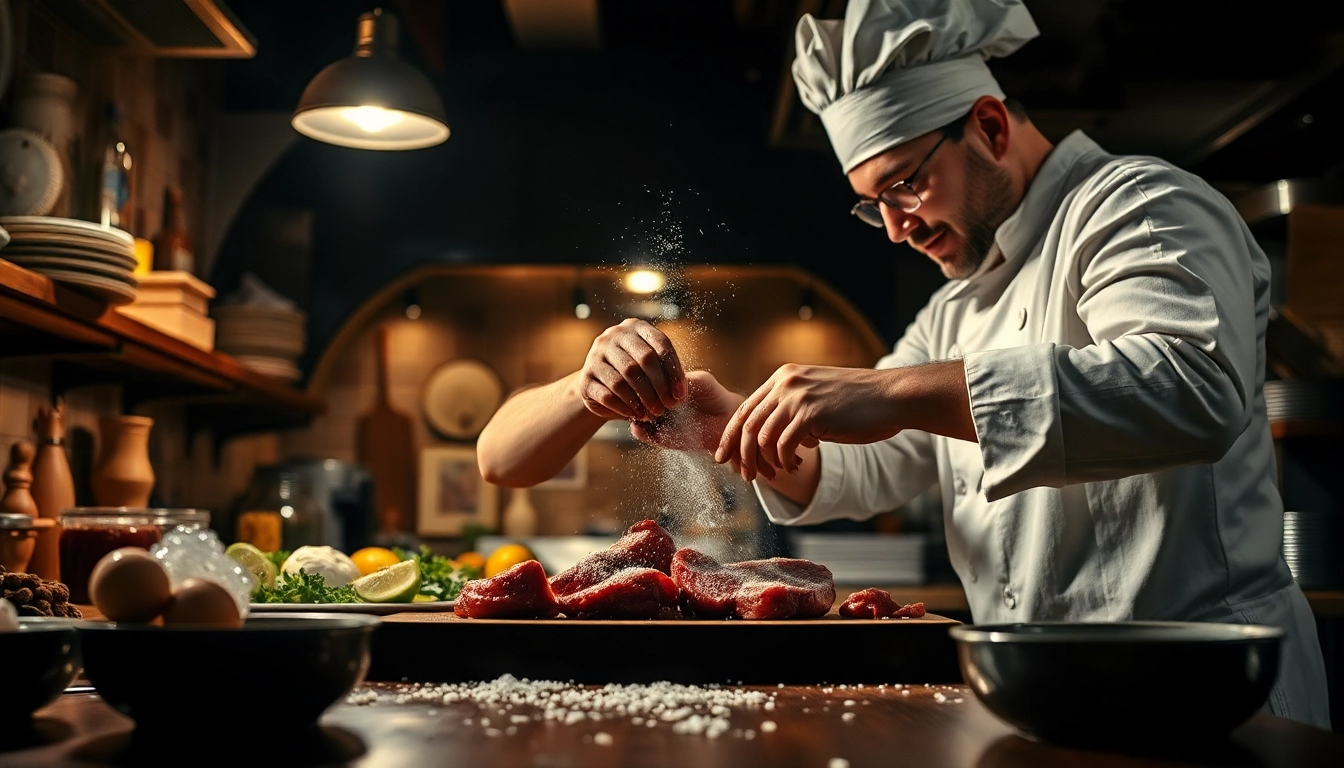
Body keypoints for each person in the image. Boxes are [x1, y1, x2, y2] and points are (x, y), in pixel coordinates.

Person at [477, 0, 1330, 727]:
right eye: (872, 203)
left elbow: (1190, 392)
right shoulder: (953, 311)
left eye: (905, 187)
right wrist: (736, 419)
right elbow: (871, 460)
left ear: (990, 126)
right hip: (1037, 691)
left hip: (1206, 687)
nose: (895, 226)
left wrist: (885, 389)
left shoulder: (1139, 206)